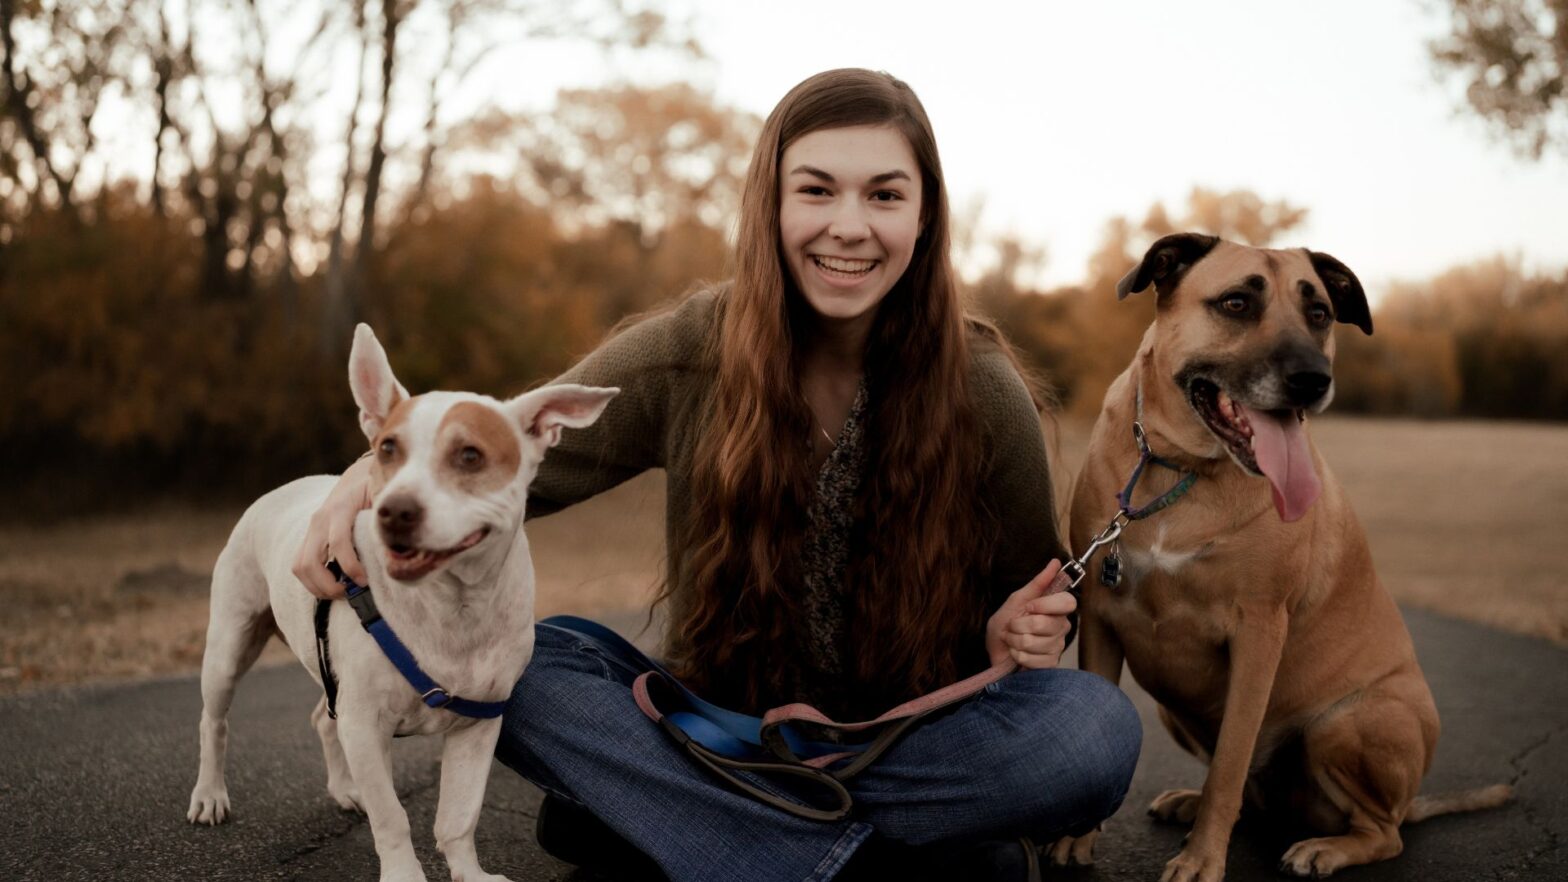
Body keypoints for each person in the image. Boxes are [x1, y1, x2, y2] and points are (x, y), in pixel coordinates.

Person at [294, 68, 1140, 882]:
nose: (850, 224)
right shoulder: (691, 350)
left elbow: (1037, 599)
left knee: (1091, 733)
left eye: (884, 194)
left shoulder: (983, 388)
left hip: (912, 736)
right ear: (769, 206)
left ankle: (696, 831)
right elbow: (493, 451)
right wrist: (357, 484)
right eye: (815, 190)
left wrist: (1018, 629)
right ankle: (874, 854)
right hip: (713, 731)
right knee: (535, 670)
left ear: (924, 217)